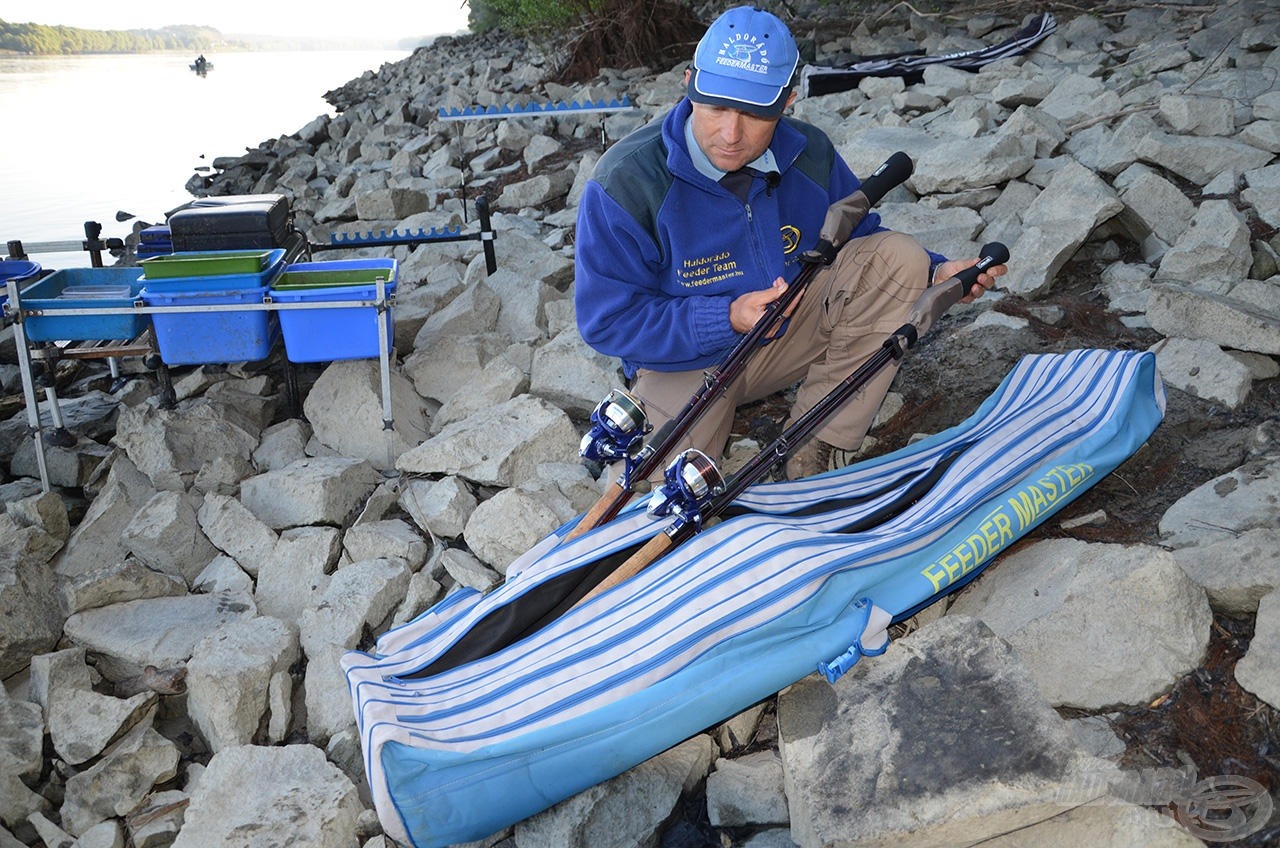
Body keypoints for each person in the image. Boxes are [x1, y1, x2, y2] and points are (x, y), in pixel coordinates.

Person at [574, 6, 1005, 481]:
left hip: (788, 335)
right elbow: (606, 321)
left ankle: (815, 436)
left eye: (754, 113)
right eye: (716, 106)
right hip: (683, 366)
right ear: (689, 85)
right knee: (645, 496)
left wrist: (936, 273)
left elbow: (860, 238)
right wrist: (727, 317)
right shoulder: (626, 182)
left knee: (901, 257)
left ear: (787, 101)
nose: (730, 134)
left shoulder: (808, 151)